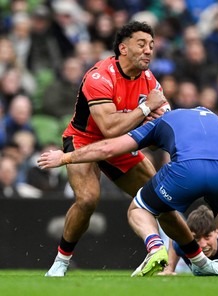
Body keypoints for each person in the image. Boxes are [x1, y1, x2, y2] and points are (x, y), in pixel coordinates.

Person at [38, 107, 218, 277]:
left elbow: (108, 149)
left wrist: (65, 158)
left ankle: (155, 248)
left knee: (139, 209)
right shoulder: (217, 120)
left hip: (188, 170)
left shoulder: (159, 122)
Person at [42, 21, 173, 277]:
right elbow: (109, 128)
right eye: (142, 44)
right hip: (84, 139)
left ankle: (198, 259)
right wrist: (146, 110)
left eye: (152, 45)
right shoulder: (99, 75)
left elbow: (162, 125)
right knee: (88, 199)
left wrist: (159, 120)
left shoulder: (149, 79)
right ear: (123, 48)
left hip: (119, 143)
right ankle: (61, 261)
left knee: (161, 197)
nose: (149, 50)